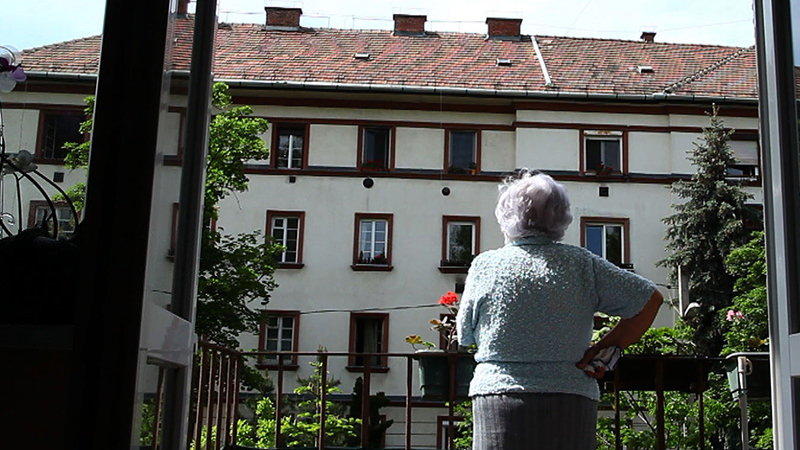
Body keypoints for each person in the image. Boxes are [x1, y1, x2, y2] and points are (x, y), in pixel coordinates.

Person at [456, 170, 663, 450]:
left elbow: (464, 334)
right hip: (571, 396)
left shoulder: (486, 265)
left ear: (506, 214)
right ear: (562, 215)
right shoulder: (580, 264)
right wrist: (603, 352)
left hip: (499, 394)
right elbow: (650, 300)